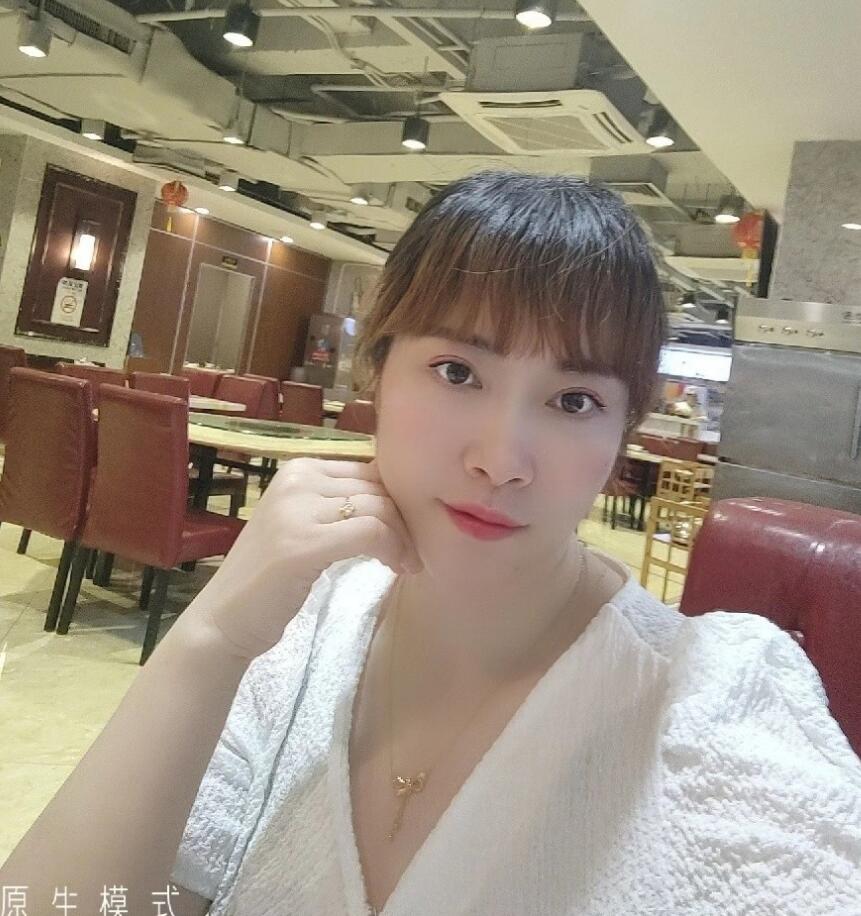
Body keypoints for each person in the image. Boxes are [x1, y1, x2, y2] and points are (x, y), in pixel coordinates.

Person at [2, 171, 859, 915]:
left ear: (622, 433)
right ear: (376, 372)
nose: (500, 460)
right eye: (458, 372)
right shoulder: (311, 628)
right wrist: (210, 641)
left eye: (573, 401)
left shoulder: (720, 696)